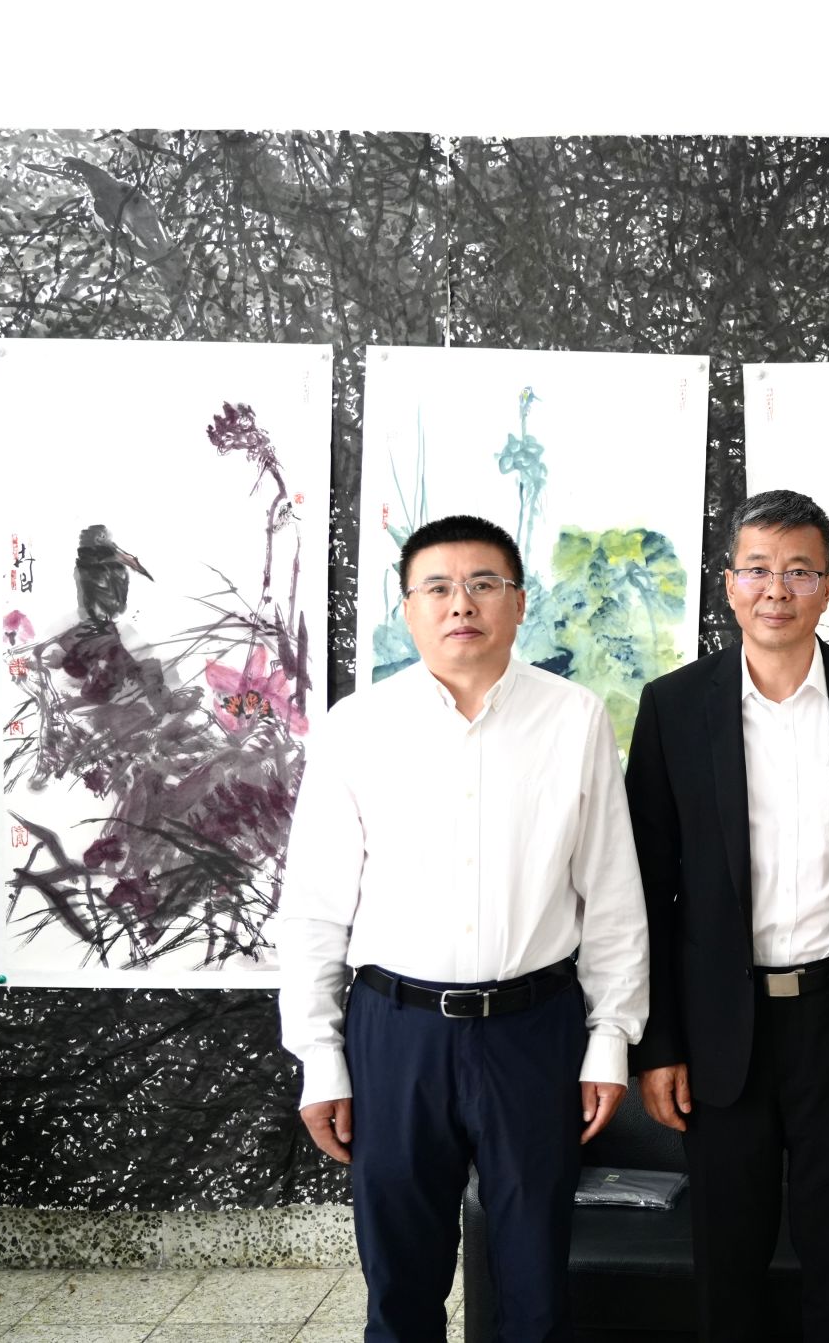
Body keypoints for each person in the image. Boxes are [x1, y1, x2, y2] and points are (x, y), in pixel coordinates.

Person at [277, 513, 649, 1343]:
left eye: (484, 584)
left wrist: (610, 1038)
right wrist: (320, 1055)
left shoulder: (575, 718)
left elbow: (612, 895)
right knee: (400, 1287)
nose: (461, 604)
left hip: (534, 1030)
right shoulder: (356, 727)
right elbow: (314, 908)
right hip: (395, 1034)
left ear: (519, 603)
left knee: (536, 1287)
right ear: (408, 608)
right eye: (437, 587)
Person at [626, 489, 829, 1342]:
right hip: (721, 1026)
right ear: (728, 583)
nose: (777, 589)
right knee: (727, 1263)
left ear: (828, 585)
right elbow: (645, 885)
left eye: (799, 570)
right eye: (757, 569)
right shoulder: (675, 706)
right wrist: (660, 1042)